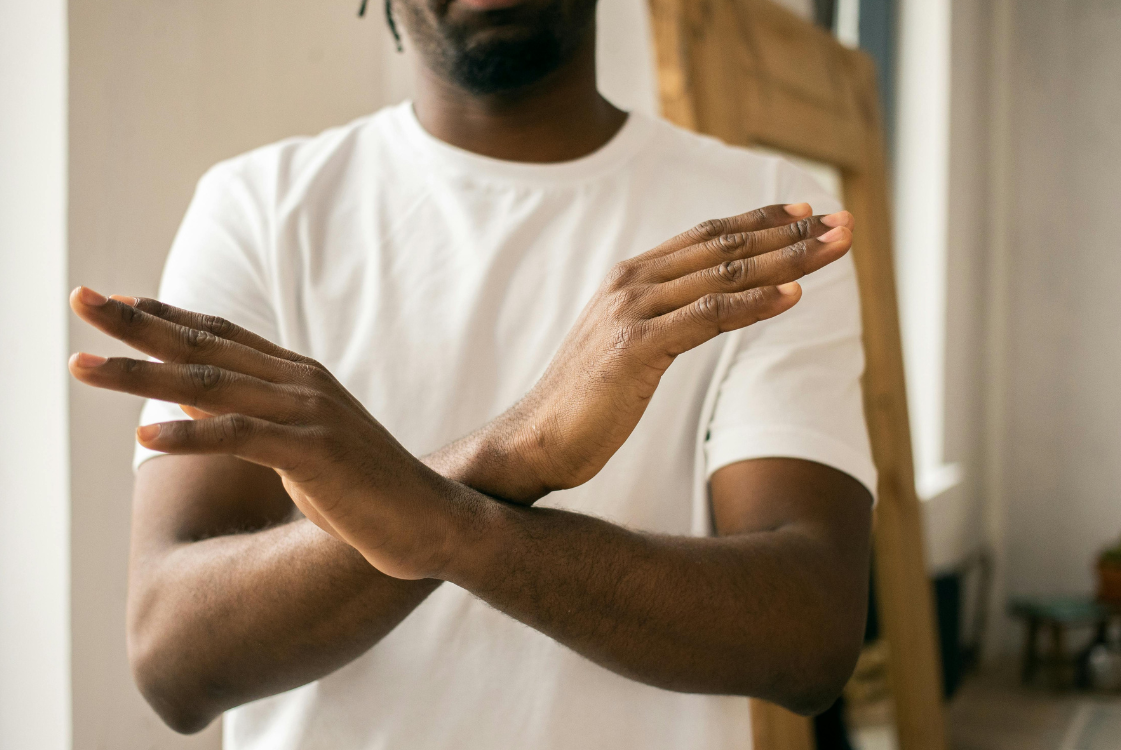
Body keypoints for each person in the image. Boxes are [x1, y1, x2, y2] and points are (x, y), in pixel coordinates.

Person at [67, 0, 876, 747]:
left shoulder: (765, 218)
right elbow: (176, 660)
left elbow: (809, 638)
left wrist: (443, 522)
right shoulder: (258, 206)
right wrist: (509, 454)